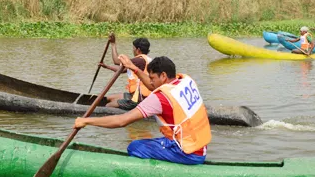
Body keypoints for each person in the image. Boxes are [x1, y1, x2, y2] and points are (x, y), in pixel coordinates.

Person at [74, 56, 212, 165]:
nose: (150, 82)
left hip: (187, 153)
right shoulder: (184, 81)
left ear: (163, 76)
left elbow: (122, 121)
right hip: (199, 146)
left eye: (152, 78)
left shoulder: (160, 98)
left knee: (135, 146)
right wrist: (133, 68)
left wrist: (86, 121)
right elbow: (154, 86)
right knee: (150, 141)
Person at [99, 35, 152, 109]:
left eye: (133, 48)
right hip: (136, 94)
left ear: (138, 50)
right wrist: (106, 66)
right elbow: (122, 70)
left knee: (108, 106)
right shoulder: (146, 59)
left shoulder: (139, 60)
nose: (133, 50)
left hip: (138, 99)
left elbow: (116, 61)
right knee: (109, 98)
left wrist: (113, 44)